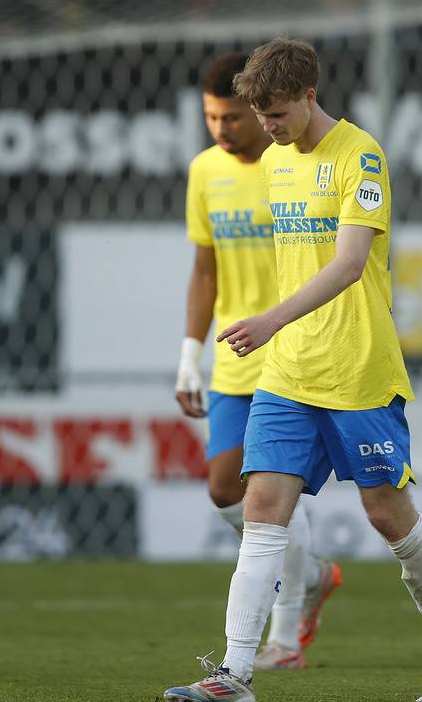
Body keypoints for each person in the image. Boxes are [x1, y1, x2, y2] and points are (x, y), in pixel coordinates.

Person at [162, 38, 422, 702]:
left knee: (387, 512)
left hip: (356, 367)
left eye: (278, 114)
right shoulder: (276, 159)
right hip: (289, 372)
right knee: (261, 509)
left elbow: (348, 264)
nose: (269, 127)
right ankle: (235, 673)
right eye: (262, 116)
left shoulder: (360, 155)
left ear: (310, 97)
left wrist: (270, 319)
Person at [176, 51, 341, 671]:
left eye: (232, 117)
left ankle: (285, 637)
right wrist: (188, 357)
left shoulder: (291, 163)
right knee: (225, 490)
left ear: (259, 110)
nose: (221, 129)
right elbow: (204, 271)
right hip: (234, 352)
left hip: (293, 347)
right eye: (210, 117)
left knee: (273, 498)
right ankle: (311, 574)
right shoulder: (203, 172)